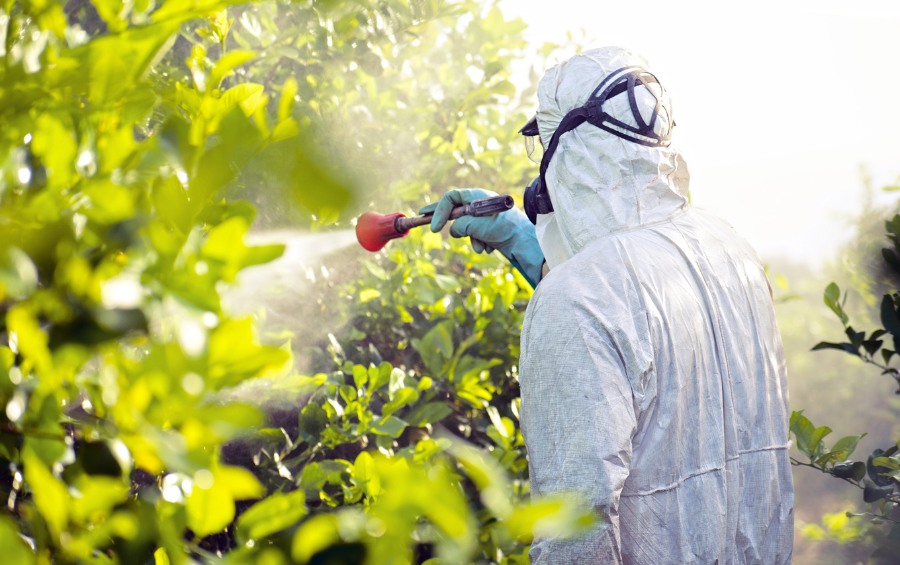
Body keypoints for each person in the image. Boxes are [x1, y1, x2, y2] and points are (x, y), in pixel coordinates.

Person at [425, 46, 794, 563]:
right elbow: (637, 320)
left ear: (570, 153)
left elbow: (576, 528)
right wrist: (523, 240)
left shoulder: (576, 302)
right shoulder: (728, 250)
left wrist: (554, 278)